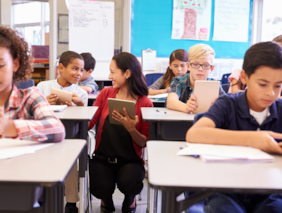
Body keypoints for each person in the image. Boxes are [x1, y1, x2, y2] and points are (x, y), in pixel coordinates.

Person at [186, 41, 282, 213]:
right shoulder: (228, 104)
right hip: (225, 190)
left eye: (278, 85)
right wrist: (253, 139)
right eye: (263, 84)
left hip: (271, 190)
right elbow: (195, 134)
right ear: (244, 77)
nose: (271, 93)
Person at [0, 23, 65, 142]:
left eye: (0, 65)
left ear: (15, 64)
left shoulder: (30, 97)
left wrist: (8, 127)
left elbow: (58, 130)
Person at [88, 52, 153, 213]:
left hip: (130, 160)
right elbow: (89, 123)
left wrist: (131, 128)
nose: (109, 76)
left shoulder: (145, 102)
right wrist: (75, 109)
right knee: (100, 186)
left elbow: (144, 142)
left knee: (130, 182)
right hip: (103, 158)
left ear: (127, 73)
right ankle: (106, 199)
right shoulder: (105, 94)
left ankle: (130, 199)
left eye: (112, 71)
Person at [37, 51, 89, 213]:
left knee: (70, 158)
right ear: (61, 67)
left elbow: (84, 123)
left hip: (69, 136)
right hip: (45, 135)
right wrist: (44, 103)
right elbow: (33, 114)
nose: (78, 74)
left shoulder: (81, 93)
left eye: (81, 70)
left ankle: (71, 203)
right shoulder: (43, 87)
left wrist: (80, 107)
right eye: (74, 69)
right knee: (39, 156)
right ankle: (40, 195)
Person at [166, 44, 225, 113]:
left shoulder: (215, 85)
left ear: (211, 68)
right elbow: (170, 101)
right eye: (195, 64)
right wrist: (186, 107)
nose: (200, 69)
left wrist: (220, 105)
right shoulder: (178, 81)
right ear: (188, 66)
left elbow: (228, 104)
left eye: (205, 65)